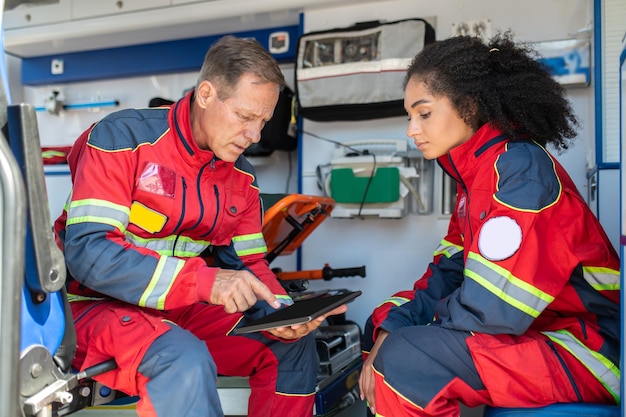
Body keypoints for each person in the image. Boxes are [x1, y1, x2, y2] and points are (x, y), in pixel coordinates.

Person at [53, 35, 346, 417]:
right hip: (89, 306)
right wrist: (206, 282)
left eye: (263, 122)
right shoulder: (121, 140)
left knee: (292, 347)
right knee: (182, 359)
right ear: (206, 94)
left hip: (177, 307)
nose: (255, 136)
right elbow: (89, 253)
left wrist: (282, 312)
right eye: (244, 117)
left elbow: (250, 264)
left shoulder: (242, 177)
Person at [358, 32, 620, 417]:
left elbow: (495, 311)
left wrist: (405, 337)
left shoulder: (519, 172)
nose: (411, 130)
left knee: (403, 360)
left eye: (424, 113)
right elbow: (447, 273)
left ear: (469, 106)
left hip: (586, 350)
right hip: (537, 334)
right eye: (409, 116)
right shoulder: (475, 180)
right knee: (381, 326)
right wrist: (391, 325)